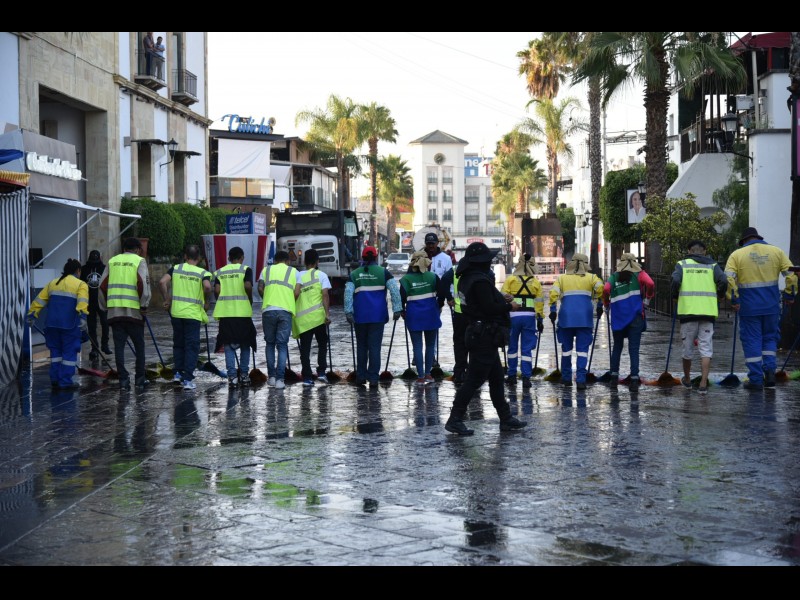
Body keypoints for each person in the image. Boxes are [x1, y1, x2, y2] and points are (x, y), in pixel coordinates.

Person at [444, 242, 527, 436]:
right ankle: (455, 419)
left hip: (478, 333)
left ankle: (506, 418)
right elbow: (489, 308)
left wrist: (500, 297)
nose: (490, 263)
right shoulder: (479, 281)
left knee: (496, 378)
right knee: (473, 380)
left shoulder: (467, 278)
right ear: (480, 262)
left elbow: (480, 302)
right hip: (484, 336)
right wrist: (509, 306)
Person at [724, 227, 798, 391]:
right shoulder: (776, 252)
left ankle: (756, 379)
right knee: (770, 338)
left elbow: (729, 279)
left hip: (749, 307)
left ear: (744, 241)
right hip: (771, 306)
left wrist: (734, 299)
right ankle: (770, 374)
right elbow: (792, 274)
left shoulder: (737, 255)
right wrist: (790, 294)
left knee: (752, 340)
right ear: (758, 237)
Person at [670, 241, 728, 394]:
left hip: (688, 313)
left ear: (689, 251)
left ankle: (688, 379)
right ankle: (703, 383)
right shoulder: (713, 266)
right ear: (705, 251)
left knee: (687, 348)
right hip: (708, 313)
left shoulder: (682, 265)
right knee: (706, 348)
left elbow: (675, 280)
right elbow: (723, 280)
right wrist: (720, 295)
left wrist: (675, 296)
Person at [344, 245, 402, 387]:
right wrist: (397, 309)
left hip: (360, 316)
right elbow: (394, 291)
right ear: (376, 257)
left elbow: (348, 294)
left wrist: (348, 312)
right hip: (378, 316)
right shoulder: (384, 273)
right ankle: (374, 378)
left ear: (362, 257)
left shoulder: (354, 274)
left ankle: (361, 377)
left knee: (361, 347)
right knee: (375, 347)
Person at [99, 237, 152, 391]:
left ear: (124, 249)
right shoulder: (139, 261)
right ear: (137, 249)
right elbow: (143, 285)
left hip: (115, 312)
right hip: (134, 312)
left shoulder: (112, 261)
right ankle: (140, 379)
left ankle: (123, 380)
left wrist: (104, 307)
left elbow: (101, 286)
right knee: (139, 346)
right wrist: (144, 305)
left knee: (119, 347)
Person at [27, 258, 89, 390]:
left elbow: (39, 300)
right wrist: (83, 317)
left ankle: (55, 379)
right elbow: (82, 302)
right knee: (69, 353)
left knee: (56, 353)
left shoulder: (53, 283)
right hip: (69, 325)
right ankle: (65, 381)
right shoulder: (80, 284)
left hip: (51, 325)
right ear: (78, 271)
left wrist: (32, 315)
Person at [158, 245, 212, 391]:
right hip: (193, 315)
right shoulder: (202, 272)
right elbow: (207, 287)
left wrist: (167, 299)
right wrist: (206, 301)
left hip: (176, 313)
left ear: (185, 256)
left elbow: (162, 282)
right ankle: (187, 379)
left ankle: (177, 373)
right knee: (191, 347)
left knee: (178, 344)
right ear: (199, 258)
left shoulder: (176, 269)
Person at [548, 253, 604, 390]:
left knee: (566, 350)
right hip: (585, 319)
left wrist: (553, 310)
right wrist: (599, 305)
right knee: (582, 351)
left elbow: (553, 294)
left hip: (566, 319)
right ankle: (581, 380)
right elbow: (601, 289)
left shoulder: (562, 278)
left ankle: (566, 379)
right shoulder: (592, 278)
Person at [603, 253, 656, 389]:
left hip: (618, 318)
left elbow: (606, 289)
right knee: (634, 348)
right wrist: (648, 298)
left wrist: (606, 304)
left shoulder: (614, 277)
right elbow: (650, 283)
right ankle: (634, 378)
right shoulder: (640, 275)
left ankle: (614, 376)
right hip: (636, 317)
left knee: (617, 346)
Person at [213, 246, 258, 387]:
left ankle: (232, 377)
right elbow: (248, 286)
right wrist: (249, 299)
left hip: (226, 313)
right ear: (242, 258)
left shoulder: (220, 272)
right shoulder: (246, 270)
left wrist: (221, 300)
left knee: (228, 345)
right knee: (245, 344)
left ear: (229, 258)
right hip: (243, 313)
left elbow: (217, 290)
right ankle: (244, 376)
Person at [500, 253, 545, 389]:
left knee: (512, 347)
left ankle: (512, 376)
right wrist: (540, 319)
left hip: (513, 317)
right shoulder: (535, 282)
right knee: (526, 349)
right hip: (529, 318)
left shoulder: (511, 279)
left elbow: (502, 295)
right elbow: (539, 303)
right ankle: (526, 378)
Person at [257, 250, 300, 390]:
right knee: (282, 345)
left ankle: (271, 377)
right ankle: (280, 380)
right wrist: (289, 301)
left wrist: (267, 298)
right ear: (287, 261)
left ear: (275, 261)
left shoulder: (266, 270)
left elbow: (260, 288)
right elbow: (297, 292)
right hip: (285, 311)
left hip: (268, 310)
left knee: (270, 344)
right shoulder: (294, 272)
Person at [400, 250, 443, 386]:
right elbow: (441, 295)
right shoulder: (433, 277)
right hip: (431, 314)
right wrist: (439, 306)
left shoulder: (405, 280)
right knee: (430, 345)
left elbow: (401, 300)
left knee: (417, 346)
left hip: (413, 315)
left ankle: (420, 377)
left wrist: (402, 312)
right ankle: (428, 374)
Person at [293, 248, 331, 386]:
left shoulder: (297, 276)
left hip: (302, 319)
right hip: (318, 318)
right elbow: (325, 295)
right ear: (317, 261)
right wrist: (327, 314)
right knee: (322, 343)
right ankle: (321, 372)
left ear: (304, 261)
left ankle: (307, 378)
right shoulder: (321, 275)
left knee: (305, 349)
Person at [439, 258, 469, 386]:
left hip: (459, 313)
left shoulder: (455, 270)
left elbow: (443, 282)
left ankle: (459, 373)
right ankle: (474, 373)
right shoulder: (480, 268)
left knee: (459, 343)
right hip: (476, 313)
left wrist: (448, 298)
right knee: (475, 342)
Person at [80, 249, 111, 357]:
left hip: (102, 301)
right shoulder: (84, 269)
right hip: (89, 302)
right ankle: (94, 348)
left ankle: (105, 345)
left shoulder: (104, 269)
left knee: (105, 323)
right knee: (91, 326)